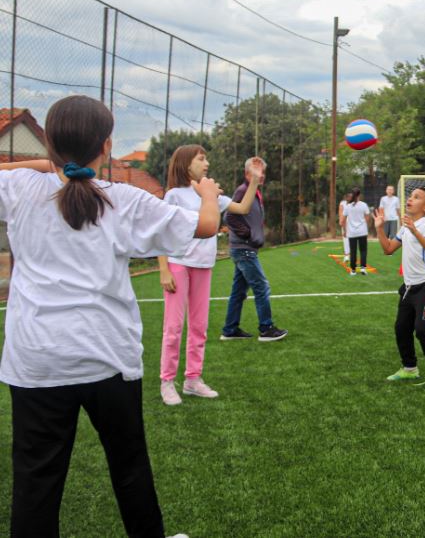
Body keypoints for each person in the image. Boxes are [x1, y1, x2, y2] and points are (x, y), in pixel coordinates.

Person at [0, 95, 218, 537]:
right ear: (107, 145)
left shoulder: (19, 188)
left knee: (35, 481)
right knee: (129, 465)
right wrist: (209, 196)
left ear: (50, 144)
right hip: (107, 356)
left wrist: (47, 166)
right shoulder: (124, 200)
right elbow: (206, 227)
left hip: (36, 359)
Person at [158, 146, 263, 405]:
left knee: (199, 327)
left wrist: (255, 181)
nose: (207, 163)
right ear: (185, 164)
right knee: (173, 327)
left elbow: (243, 207)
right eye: (201, 159)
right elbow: (160, 231)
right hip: (178, 264)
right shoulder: (174, 195)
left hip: (204, 265)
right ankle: (167, 381)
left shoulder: (212, 194)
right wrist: (163, 270)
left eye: (206, 158)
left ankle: (193, 379)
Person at [374, 188, 425, 390]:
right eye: (410, 196)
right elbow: (388, 249)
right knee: (401, 328)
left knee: (422, 329)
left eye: (416, 197)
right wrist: (379, 228)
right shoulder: (405, 227)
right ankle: (409, 367)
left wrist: (415, 230)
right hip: (408, 288)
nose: (410, 199)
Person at [220, 158, 288, 341]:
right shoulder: (243, 191)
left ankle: (230, 330)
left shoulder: (254, 192)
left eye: (263, 172)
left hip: (244, 249)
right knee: (261, 286)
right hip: (244, 249)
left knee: (238, 292)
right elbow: (228, 217)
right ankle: (266, 329)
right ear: (247, 174)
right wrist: (248, 234)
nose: (261, 176)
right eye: (257, 172)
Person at [341, 187, 371, 276]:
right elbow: (368, 217)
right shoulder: (364, 205)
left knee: (353, 251)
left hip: (352, 233)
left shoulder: (347, 206)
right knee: (363, 251)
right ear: (359, 195)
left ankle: (353, 270)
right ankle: (363, 269)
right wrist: (366, 226)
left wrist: (345, 231)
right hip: (362, 231)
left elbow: (343, 220)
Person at [339, 191, 352, 263]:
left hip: (353, 224)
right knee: (345, 239)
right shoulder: (342, 203)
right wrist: (342, 223)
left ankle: (349, 254)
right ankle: (346, 255)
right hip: (345, 222)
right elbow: (341, 213)